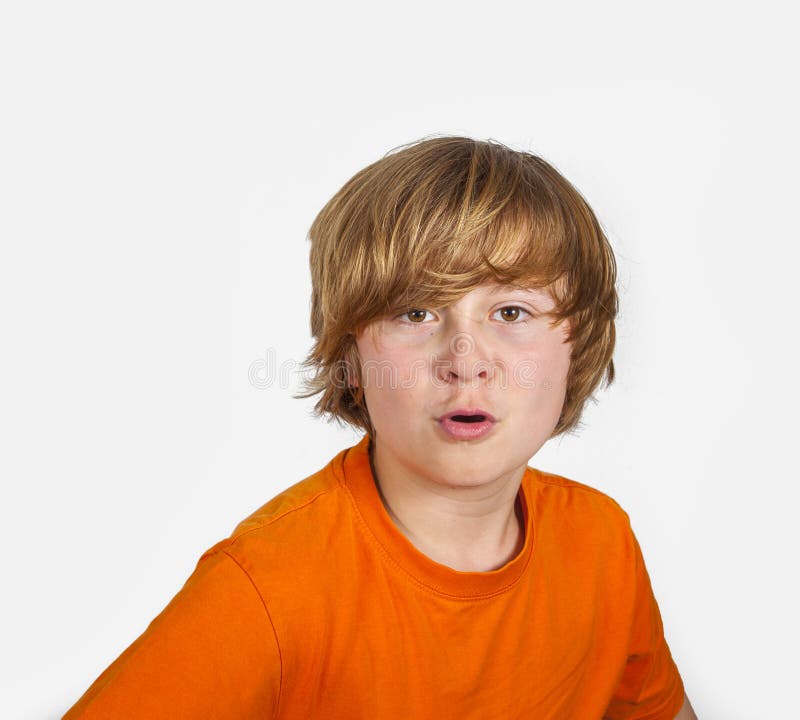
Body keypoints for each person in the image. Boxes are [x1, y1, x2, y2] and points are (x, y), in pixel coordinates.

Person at [64, 136, 697, 719]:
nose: (465, 361)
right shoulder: (268, 588)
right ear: (352, 357)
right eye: (415, 312)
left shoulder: (602, 546)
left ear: (577, 344)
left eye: (511, 311)